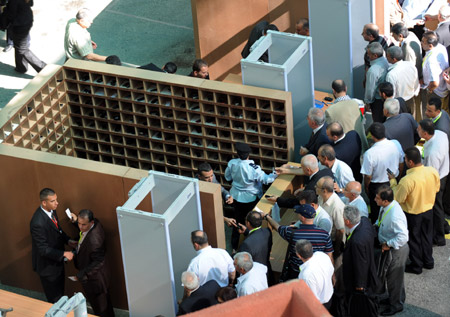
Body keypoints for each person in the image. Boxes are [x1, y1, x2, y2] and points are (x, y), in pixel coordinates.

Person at [389, 147, 440, 274]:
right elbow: (437, 189)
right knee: (427, 237)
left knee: (414, 239)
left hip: (413, 213)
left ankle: (417, 265)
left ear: (410, 162)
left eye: (405, 159)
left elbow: (398, 198)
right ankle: (428, 261)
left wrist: (393, 182)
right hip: (428, 210)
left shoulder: (407, 180)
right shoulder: (432, 171)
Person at [224, 142, 277, 250]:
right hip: (250, 198)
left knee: (237, 221)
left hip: (236, 197)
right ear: (249, 154)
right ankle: (252, 243)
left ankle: (235, 246)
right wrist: (275, 173)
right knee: (252, 222)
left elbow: (227, 177)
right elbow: (266, 180)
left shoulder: (232, 163)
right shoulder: (253, 168)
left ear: (238, 154)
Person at [30, 188, 76, 303]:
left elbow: (58, 230)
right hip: (48, 269)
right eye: (53, 201)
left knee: (61, 294)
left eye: (56, 199)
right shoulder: (37, 223)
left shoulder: (52, 211)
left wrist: (68, 240)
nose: (57, 203)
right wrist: (64, 253)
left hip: (57, 263)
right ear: (44, 202)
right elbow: (43, 250)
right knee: (56, 300)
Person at [265, 204, 333, 280]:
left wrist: (267, 217)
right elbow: (329, 256)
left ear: (302, 218)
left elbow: (277, 227)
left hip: (295, 273)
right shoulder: (324, 234)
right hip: (316, 273)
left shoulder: (292, 233)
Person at [71, 209, 114, 317]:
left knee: (101, 309)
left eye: (83, 225)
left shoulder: (93, 241)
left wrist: (82, 274)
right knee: (105, 307)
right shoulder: (96, 224)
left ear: (91, 223)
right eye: (79, 224)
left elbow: (99, 261)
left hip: (95, 281)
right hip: (98, 278)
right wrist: (75, 221)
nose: (80, 227)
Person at [374, 186, 409, 316]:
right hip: (390, 246)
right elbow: (381, 220)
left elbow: (403, 236)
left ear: (385, 201)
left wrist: (388, 244)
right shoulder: (386, 207)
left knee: (394, 278)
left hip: (397, 249)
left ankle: (396, 305)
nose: (374, 199)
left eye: (377, 198)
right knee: (394, 277)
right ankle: (396, 298)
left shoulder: (395, 216)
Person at [361, 123, 404, 223]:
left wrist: (367, 188)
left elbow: (367, 176)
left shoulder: (370, 153)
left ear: (372, 136)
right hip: (392, 180)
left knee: (376, 212)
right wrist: (397, 178)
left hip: (377, 186)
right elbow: (401, 163)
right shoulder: (395, 144)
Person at [343, 206, 379, 316]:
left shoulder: (356, 241)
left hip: (359, 279)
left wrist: (360, 284)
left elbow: (360, 264)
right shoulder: (364, 222)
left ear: (347, 221)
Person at [417, 119, 449, 246]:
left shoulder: (432, 154)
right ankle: (445, 226)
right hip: (444, 171)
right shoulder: (440, 134)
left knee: (436, 207)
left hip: (437, 179)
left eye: (419, 129)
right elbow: (421, 144)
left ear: (425, 133)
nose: (417, 130)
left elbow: (431, 175)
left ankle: (439, 237)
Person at [325, 79, 368, 151]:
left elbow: (329, 134)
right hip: (362, 145)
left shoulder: (330, 111)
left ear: (333, 91)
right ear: (346, 88)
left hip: (348, 150)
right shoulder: (359, 103)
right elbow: (363, 121)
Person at [267, 189, 333, 235]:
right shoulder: (307, 212)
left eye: (303, 205)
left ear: (312, 205)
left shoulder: (324, 221)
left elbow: (320, 240)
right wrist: (297, 225)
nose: (301, 208)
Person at [6, 0, 46, 73]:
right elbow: (31, 3)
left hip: (19, 25)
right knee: (18, 45)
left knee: (22, 49)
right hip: (26, 20)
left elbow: (11, 15)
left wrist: (4, 9)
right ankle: (21, 67)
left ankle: (42, 67)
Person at [237, 211, 273, 284]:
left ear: (248, 223)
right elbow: (257, 237)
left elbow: (243, 264)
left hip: (255, 277)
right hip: (268, 272)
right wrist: (247, 231)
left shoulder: (246, 244)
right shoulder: (267, 231)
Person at [296, 239, 334, 308]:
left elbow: (311, 299)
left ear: (298, 255)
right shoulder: (322, 255)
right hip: (329, 298)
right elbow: (331, 270)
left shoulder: (306, 276)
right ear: (311, 248)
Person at [196, 162, 236, 227]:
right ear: (199, 177)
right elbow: (206, 212)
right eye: (207, 177)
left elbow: (221, 189)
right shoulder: (196, 188)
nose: (210, 180)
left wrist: (228, 196)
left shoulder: (212, 177)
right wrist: (224, 219)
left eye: (211, 175)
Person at [316, 176, 345, 260]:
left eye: (317, 186)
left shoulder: (337, 206)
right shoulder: (321, 197)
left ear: (324, 190)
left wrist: (335, 250)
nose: (315, 188)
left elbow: (340, 230)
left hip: (331, 242)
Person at [385, 46, 420, 113]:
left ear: (394, 59)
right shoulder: (411, 65)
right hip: (411, 99)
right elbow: (416, 82)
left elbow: (392, 94)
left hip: (399, 104)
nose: (386, 58)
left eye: (388, 56)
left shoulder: (391, 74)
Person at [421, 31, 449, 114]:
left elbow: (435, 83)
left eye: (423, 42)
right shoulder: (440, 47)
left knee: (430, 115)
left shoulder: (431, 61)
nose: (421, 43)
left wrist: (429, 89)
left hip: (436, 92)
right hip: (443, 89)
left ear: (430, 45)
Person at [364, 42, 389, 123]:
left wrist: (368, 102)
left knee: (378, 122)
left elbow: (370, 89)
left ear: (375, 55)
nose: (368, 56)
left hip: (377, 101)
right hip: (386, 98)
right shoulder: (385, 61)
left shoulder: (373, 70)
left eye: (369, 54)